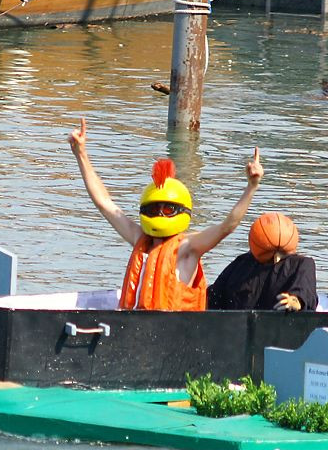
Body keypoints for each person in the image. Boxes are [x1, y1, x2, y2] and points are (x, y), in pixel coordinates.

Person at [68, 118, 263, 311]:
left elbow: (227, 226)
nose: (160, 214)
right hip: (134, 327)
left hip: (175, 331)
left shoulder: (188, 247)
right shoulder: (139, 239)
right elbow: (104, 203)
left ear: (181, 211)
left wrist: (251, 187)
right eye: (154, 209)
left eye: (167, 209)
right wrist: (81, 154)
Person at [207, 212, 318, 311]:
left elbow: (304, 291)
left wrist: (296, 301)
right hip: (238, 326)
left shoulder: (301, 264)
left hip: (279, 325)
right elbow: (213, 296)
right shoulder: (242, 263)